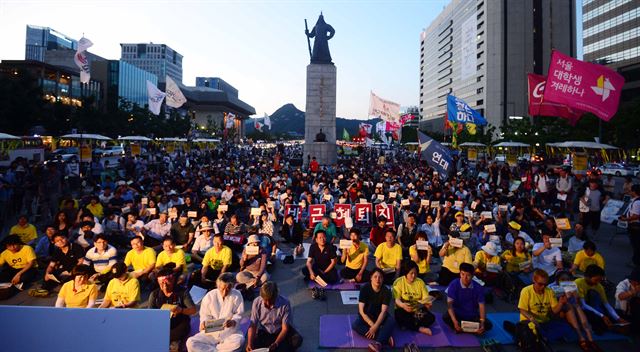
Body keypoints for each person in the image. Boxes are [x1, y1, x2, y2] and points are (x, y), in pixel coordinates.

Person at [187, 272, 245, 352]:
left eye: (228, 289)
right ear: (218, 286)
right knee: (191, 342)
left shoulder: (237, 295)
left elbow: (239, 314)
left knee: (239, 341)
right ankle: (216, 350)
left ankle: (212, 350)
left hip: (229, 332)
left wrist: (233, 322)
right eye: (222, 289)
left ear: (232, 287)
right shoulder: (210, 296)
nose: (225, 292)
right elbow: (204, 315)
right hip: (211, 332)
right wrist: (204, 323)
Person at [516, 269, 572, 343]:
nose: (543, 287)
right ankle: (543, 337)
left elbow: (554, 310)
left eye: (545, 285)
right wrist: (531, 318)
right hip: (530, 321)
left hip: (545, 321)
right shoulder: (526, 291)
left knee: (566, 328)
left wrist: (560, 303)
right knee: (533, 329)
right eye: (540, 284)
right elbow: (522, 309)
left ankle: (542, 336)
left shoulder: (550, 291)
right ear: (534, 280)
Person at [148, 267, 196, 351]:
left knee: (175, 336)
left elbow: (193, 310)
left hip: (179, 323)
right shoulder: (154, 294)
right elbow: (149, 314)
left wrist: (181, 310)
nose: (164, 286)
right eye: (161, 283)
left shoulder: (182, 292)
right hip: (162, 324)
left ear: (173, 280)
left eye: (167, 283)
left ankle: (175, 344)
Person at [246, 281, 303, 351]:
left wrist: (276, 343)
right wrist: (249, 343)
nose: (268, 303)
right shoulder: (257, 302)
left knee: (297, 340)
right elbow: (253, 325)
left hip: (280, 331)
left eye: (270, 300)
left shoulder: (285, 303)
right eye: (265, 300)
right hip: (265, 332)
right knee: (253, 346)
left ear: (276, 296)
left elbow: (285, 329)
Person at [575, 264, 628, 335]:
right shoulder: (578, 283)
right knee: (594, 317)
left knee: (618, 314)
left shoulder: (599, 286)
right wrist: (602, 315)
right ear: (587, 277)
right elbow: (583, 305)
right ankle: (606, 326)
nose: (598, 282)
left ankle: (615, 325)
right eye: (596, 280)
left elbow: (606, 304)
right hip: (582, 307)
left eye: (599, 280)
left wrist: (617, 318)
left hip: (595, 307)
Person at [351, 268, 395, 352]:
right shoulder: (364, 288)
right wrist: (372, 325)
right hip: (366, 316)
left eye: (380, 277)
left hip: (380, 316)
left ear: (383, 279)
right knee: (355, 325)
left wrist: (376, 326)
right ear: (371, 278)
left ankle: (378, 343)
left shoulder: (386, 291)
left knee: (391, 320)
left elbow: (383, 312)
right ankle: (385, 337)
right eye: (375, 277)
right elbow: (361, 311)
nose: (378, 279)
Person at [443, 263, 492, 335]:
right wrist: (454, 321)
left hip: (472, 315)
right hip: (458, 314)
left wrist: (482, 322)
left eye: (468, 275)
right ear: (460, 274)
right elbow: (449, 305)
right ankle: (463, 327)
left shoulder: (478, 287)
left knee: (487, 325)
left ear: (472, 276)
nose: (465, 278)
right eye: (462, 274)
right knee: (446, 317)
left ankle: (464, 329)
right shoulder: (454, 284)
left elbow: (482, 306)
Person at [393, 260, 435, 336]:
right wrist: (403, 305)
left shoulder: (420, 282)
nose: (413, 275)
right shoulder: (398, 282)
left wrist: (428, 304)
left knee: (431, 318)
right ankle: (418, 328)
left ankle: (408, 325)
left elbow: (426, 298)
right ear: (406, 273)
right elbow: (397, 300)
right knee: (399, 315)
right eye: (411, 273)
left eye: (415, 273)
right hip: (403, 310)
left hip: (417, 310)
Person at [619, 184, 640, 268]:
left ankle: (636, 263)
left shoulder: (637, 202)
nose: (630, 192)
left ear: (634, 192)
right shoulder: (635, 200)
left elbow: (636, 216)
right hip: (634, 226)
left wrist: (625, 219)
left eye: (631, 190)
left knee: (636, 245)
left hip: (635, 227)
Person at [615, 269, 640, 334]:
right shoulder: (623, 284)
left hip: (634, 312)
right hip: (621, 311)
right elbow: (620, 296)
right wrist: (633, 292)